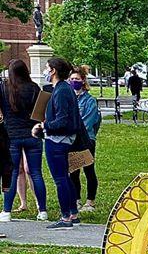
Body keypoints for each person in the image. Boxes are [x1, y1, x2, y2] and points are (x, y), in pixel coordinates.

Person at [31, 57, 81, 229]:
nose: (45, 71)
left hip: (57, 140)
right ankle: (73, 212)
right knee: (65, 178)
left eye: (47, 68)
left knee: (60, 179)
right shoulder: (63, 89)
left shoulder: (60, 91)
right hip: (63, 139)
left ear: (53, 71)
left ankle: (66, 216)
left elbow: (61, 120)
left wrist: (43, 126)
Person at [0, 59, 46, 222]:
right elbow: (41, 114)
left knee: (12, 173)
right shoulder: (34, 88)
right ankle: (42, 210)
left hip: (11, 135)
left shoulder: (5, 88)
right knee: (36, 172)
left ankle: (6, 211)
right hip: (32, 134)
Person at [67, 66, 101, 214]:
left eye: (77, 79)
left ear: (83, 81)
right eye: (72, 79)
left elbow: (89, 121)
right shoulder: (69, 98)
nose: (74, 82)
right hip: (72, 140)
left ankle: (90, 201)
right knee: (73, 171)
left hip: (86, 139)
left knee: (89, 170)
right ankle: (76, 199)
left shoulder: (89, 101)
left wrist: (74, 128)